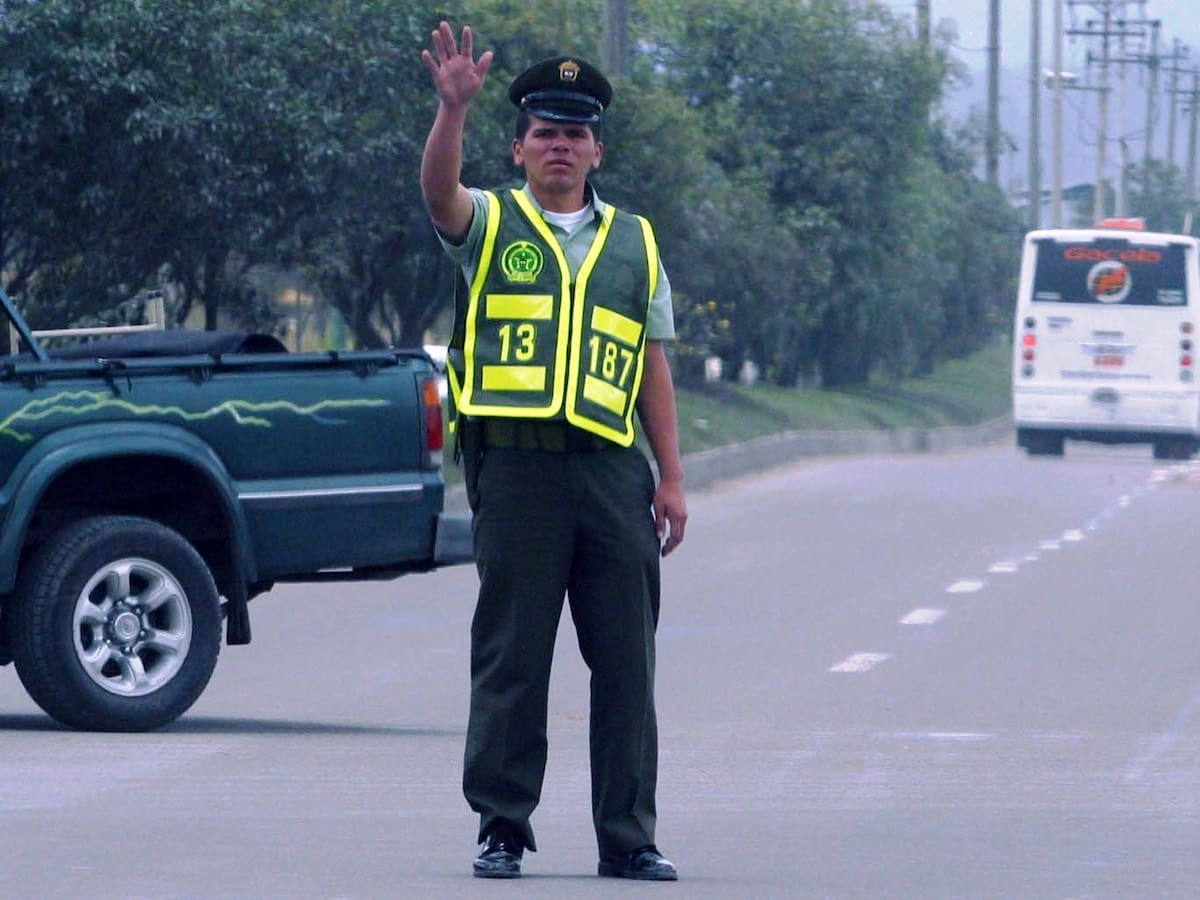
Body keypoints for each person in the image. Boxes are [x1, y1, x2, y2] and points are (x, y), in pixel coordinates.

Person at [420, 21, 688, 882]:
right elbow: (438, 196)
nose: (561, 146)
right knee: (511, 656)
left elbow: (651, 361)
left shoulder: (637, 243)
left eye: (575, 134)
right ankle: (502, 824)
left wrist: (672, 478)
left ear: (597, 151)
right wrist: (448, 113)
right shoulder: (491, 221)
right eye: (546, 133)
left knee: (625, 663)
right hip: (518, 470)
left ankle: (629, 835)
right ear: (520, 147)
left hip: (612, 475)